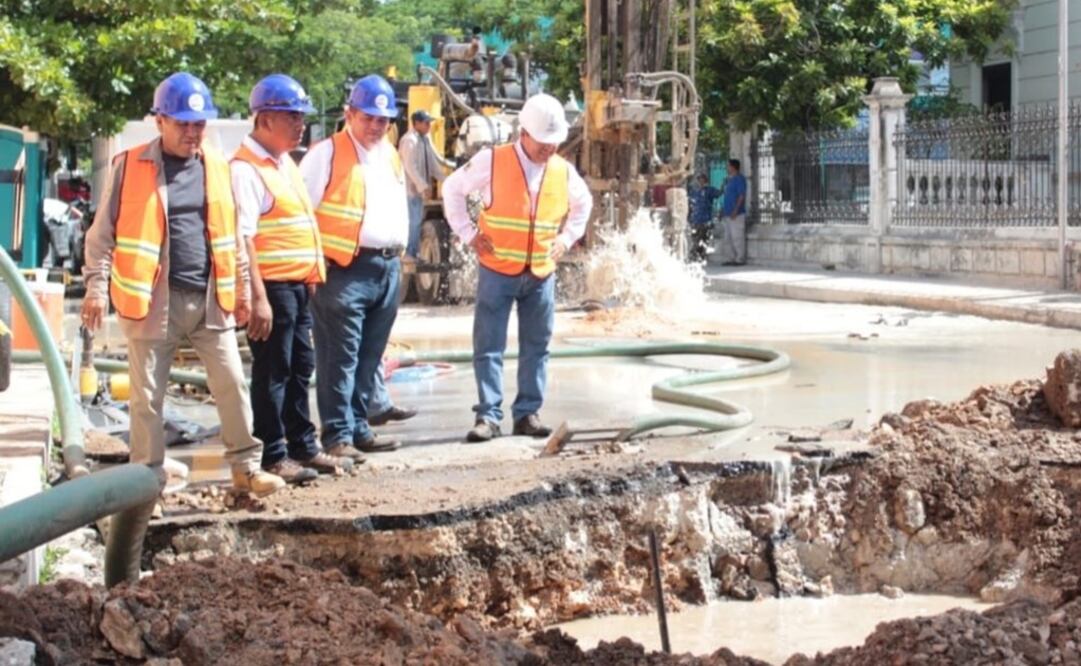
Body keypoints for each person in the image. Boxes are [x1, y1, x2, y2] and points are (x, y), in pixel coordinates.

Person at [81, 72, 284, 497]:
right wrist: (96, 289)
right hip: (153, 303)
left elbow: (231, 236)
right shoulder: (129, 166)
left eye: (198, 125)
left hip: (212, 299)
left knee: (231, 382)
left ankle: (246, 469)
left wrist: (243, 292)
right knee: (147, 399)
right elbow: (101, 237)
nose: (192, 133)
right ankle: (146, 485)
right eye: (183, 124)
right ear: (160, 121)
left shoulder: (218, 167)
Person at [442, 93, 592, 443]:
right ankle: (488, 416)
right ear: (524, 133)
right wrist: (468, 233)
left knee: (537, 346)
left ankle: (527, 413)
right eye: (543, 142)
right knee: (489, 345)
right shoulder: (492, 161)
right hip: (498, 269)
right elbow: (452, 190)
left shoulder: (562, 170)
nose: (549, 149)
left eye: (555, 142)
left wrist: (566, 239)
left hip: (540, 272)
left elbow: (583, 204)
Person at [231, 73, 353, 484]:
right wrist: (257, 297)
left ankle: (303, 445)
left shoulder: (283, 164)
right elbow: (243, 238)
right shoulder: (246, 170)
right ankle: (272, 452)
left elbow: (300, 220)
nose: (300, 124)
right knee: (273, 372)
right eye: (291, 117)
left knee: (300, 366)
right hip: (273, 288)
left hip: (297, 286)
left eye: (300, 116)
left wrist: (311, 269)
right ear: (264, 119)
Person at [300, 74, 407, 460]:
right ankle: (337, 435)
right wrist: (315, 263)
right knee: (339, 358)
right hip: (343, 269)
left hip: (386, 269)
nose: (376, 126)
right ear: (350, 114)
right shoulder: (326, 155)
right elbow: (302, 212)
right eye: (368, 118)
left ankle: (359, 427)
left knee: (368, 355)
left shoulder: (389, 154)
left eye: (383, 120)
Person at [398, 109, 445, 259]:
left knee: (416, 221)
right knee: (413, 222)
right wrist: (423, 185)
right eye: (426, 123)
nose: (429, 126)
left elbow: (432, 163)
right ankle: (409, 254)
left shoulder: (424, 139)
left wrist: (445, 179)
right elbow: (410, 167)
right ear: (416, 123)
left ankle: (413, 252)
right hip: (410, 191)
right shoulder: (409, 140)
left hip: (417, 190)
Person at [721, 159, 748, 266]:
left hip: (736, 214)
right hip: (728, 213)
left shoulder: (739, 179)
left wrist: (735, 210)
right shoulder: (729, 180)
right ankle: (731, 258)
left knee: (737, 237)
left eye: (728, 166)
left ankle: (740, 259)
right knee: (728, 238)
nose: (727, 168)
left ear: (733, 167)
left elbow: (741, 196)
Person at [688, 173, 720, 263]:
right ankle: (696, 256)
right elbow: (692, 202)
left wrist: (723, 185)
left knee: (703, 238)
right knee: (696, 238)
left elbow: (718, 194)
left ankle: (700, 256)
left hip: (705, 219)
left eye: (702, 179)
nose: (700, 181)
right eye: (699, 179)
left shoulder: (709, 190)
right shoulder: (696, 191)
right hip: (697, 219)